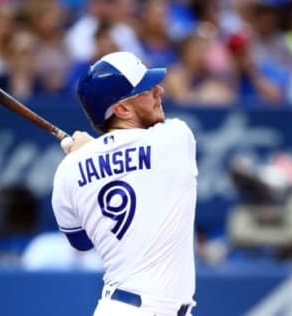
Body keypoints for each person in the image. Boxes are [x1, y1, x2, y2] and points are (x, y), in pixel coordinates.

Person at [51, 51, 198, 316]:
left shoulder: (67, 171)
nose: (160, 91)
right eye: (146, 89)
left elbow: (82, 242)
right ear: (122, 108)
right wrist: (93, 149)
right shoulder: (176, 138)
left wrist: (88, 155)